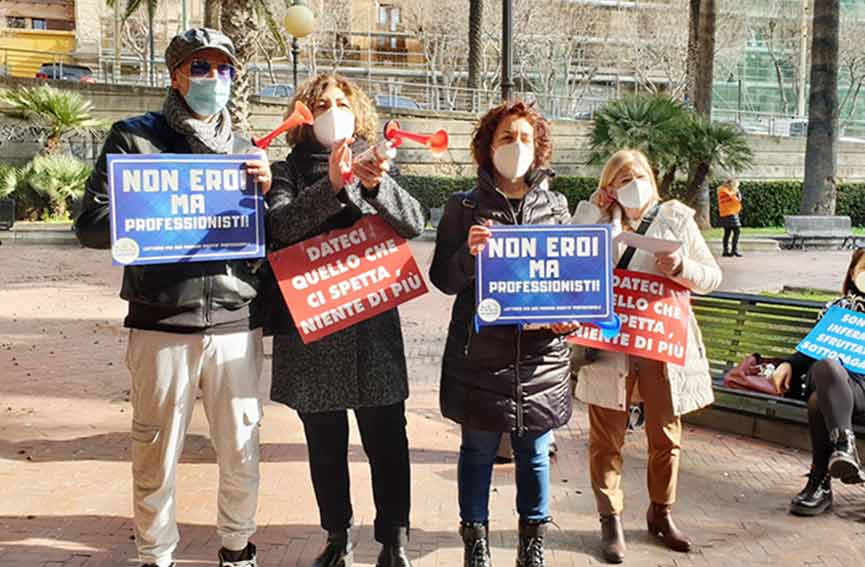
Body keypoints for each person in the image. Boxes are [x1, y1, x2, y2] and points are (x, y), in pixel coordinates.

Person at [74, 28, 271, 567]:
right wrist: (151, 213)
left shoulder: (248, 152)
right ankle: (155, 553)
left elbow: (268, 240)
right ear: (176, 75)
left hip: (235, 323)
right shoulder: (134, 139)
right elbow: (89, 225)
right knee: (154, 453)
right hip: (161, 323)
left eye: (223, 69)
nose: (214, 79)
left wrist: (268, 194)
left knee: (241, 451)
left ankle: (238, 548)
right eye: (201, 68)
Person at [264, 74, 425, 567]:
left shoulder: (372, 165)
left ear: (359, 115)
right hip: (313, 336)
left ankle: (394, 538)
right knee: (325, 445)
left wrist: (372, 186)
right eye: (321, 104)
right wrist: (332, 186)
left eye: (342, 103)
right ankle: (338, 536)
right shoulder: (286, 171)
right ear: (304, 118)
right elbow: (278, 228)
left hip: (372, 331)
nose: (333, 110)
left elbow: (414, 221)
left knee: (388, 441)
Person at [429, 100, 575, 567]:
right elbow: (443, 280)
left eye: (525, 138)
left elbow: (567, 279)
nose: (517, 146)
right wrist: (468, 256)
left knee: (534, 452)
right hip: (480, 355)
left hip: (540, 354)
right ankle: (476, 541)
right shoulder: (463, 206)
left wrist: (568, 316)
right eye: (507, 138)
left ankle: (533, 544)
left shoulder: (557, 205)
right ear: (488, 148)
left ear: (540, 148)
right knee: (478, 450)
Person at [570, 149, 722, 564]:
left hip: (661, 345)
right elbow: (568, 261)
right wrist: (591, 211)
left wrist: (679, 266)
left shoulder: (676, 218)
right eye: (620, 178)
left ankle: (662, 512)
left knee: (666, 437)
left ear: (652, 178)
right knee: (606, 439)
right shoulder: (600, 223)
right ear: (609, 187)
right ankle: (610, 521)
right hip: (610, 345)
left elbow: (711, 277)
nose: (630, 183)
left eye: (636, 175)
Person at [774, 249, 865, 517]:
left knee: (818, 402)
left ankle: (819, 484)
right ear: (853, 273)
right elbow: (811, 349)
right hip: (833, 380)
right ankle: (844, 445)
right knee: (825, 368)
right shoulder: (835, 309)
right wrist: (789, 363)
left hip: (863, 390)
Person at [717, 179, 743, 257]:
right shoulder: (726, 191)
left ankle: (726, 251)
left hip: (726, 213)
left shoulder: (721, 190)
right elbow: (737, 200)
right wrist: (737, 191)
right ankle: (733, 250)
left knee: (727, 233)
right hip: (730, 213)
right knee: (737, 231)